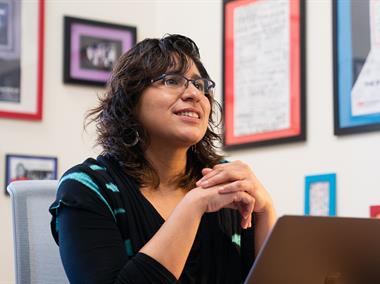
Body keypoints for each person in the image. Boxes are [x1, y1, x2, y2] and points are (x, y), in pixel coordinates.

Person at [49, 34, 276, 284]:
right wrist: (193, 207)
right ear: (130, 99)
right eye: (172, 80)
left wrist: (265, 212)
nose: (194, 94)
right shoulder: (87, 188)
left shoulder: (225, 181)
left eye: (200, 85)